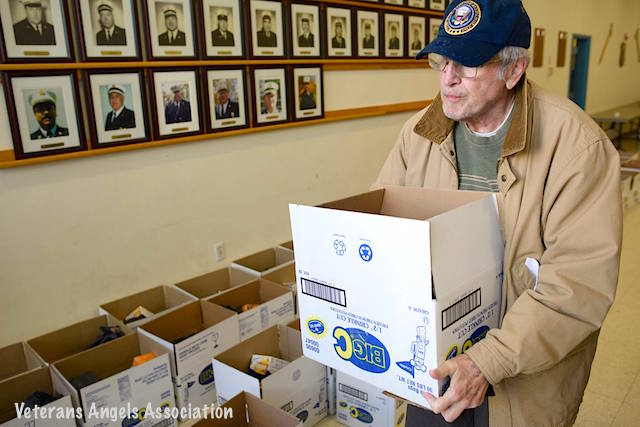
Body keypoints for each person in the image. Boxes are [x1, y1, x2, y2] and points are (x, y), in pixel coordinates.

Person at [374, 1, 622, 426]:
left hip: (524, 383)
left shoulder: (577, 148)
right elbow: (383, 234)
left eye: (467, 65)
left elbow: (576, 287)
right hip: (436, 372)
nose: (447, 79)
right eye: (441, 60)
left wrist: (485, 362)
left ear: (513, 69)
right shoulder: (418, 135)